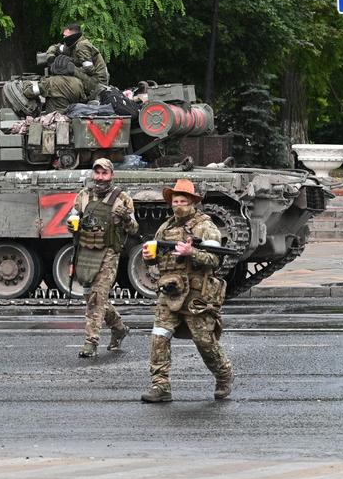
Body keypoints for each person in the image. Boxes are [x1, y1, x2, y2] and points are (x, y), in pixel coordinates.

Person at [140, 179, 233, 403]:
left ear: (192, 202)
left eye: (183, 200)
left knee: (204, 341)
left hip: (196, 294)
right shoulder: (166, 228)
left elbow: (216, 260)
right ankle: (160, 385)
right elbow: (157, 261)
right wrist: (149, 258)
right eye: (175, 200)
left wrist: (192, 253)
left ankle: (223, 375)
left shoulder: (205, 226)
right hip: (170, 290)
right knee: (159, 336)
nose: (178, 204)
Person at [67, 158, 137, 358]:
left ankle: (91, 342)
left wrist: (125, 217)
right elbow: (72, 218)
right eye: (97, 173)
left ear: (111, 175)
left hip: (108, 253)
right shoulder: (83, 196)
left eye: (104, 173)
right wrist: (71, 224)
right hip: (86, 251)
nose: (100, 177)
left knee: (97, 297)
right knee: (91, 297)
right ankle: (119, 328)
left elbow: (134, 229)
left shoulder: (122, 198)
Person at [45, 23, 110, 96]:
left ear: (73, 36)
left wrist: (71, 65)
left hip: (97, 84)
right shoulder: (72, 44)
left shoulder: (81, 46)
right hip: (91, 80)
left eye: (65, 36)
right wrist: (50, 56)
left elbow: (90, 70)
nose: (64, 38)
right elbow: (55, 47)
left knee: (66, 67)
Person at [22, 54, 88, 114]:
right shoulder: (78, 82)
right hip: (72, 118)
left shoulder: (49, 81)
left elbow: (29, 92)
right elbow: (83, 101)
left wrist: (26, 83)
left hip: (53, 119)